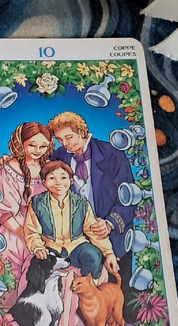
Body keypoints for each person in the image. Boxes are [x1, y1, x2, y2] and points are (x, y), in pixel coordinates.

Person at [48, 111, 135, 294]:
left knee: (116, 294)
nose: (65, 143)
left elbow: (129, 198)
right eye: (60, 139)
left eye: (69, 137)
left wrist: (110, 223)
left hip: (113, 238)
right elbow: (35, 167)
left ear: (82, 132)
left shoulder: (112, 155)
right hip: (77, 241)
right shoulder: (59, 157)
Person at [0, 122, 53, 305]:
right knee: (12, 260)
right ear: (21, 143)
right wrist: (27, 235)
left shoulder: (49, 167)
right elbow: (2, 211)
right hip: (15, 227)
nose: (38, 150)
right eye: (32, 145)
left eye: (43, 146)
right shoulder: (9, 168)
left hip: (43, 225)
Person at [25, 160, 120, 279]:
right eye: (52, 178)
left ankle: (87, 287)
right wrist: (38, 247)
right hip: (51, 248)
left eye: (63, 178)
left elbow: (93, 230)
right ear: (44, 182)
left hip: (76, 246)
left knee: (93, 256)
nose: (58, 183)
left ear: (71, 181)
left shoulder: (81, 203)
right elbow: (31, 231)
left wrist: (108, 252)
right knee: (39, 264)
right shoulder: (37, 203)